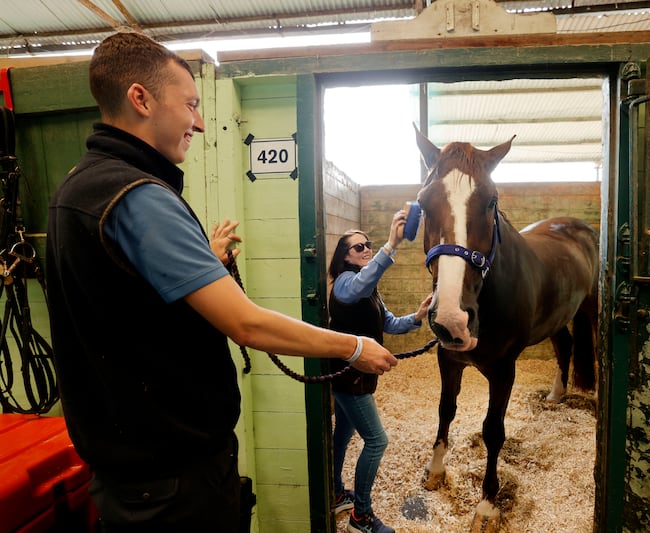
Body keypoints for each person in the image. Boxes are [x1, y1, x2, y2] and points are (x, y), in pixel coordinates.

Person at [45, 31, 397, 533]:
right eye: (189, 104)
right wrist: (352, 347)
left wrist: (203, 262)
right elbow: (247, 324)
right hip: (174, 477)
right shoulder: (139, 195)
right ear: (141, 99)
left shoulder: (79, 186)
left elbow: (124, 303)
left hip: (129, 469)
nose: (200, 121)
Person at [327, 215, 432, 533]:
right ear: (345, 256)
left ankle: (334, 493)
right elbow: (358, 286)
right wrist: (391, 243)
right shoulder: (347, 283)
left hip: (355, 376)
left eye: (368, 244)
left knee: (343, 434)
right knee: (377, 441)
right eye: (359, 246)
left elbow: (388, 323)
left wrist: (417, 316)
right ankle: (361, 515)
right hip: (350, 377)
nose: (366, 249)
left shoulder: (370, 289)